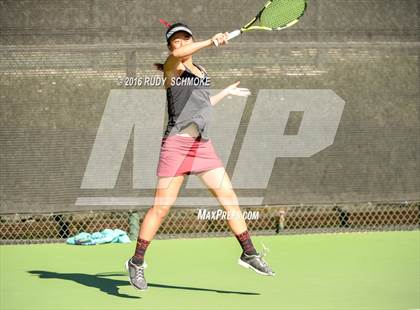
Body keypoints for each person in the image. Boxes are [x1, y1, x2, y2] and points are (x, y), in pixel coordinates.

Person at [126, 22, 275, 291]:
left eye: (185, 39)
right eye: (176, 42)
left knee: (229, 198)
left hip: (202, 147)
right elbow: (184, 55)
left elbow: (202, 106)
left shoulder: (201, 71)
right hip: (176, 147)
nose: (181, 44)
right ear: (171, 48)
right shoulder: (173, 67)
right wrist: (210, 41)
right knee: (160, 209)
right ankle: (136, 262)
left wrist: (224, 93)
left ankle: (249, 253)